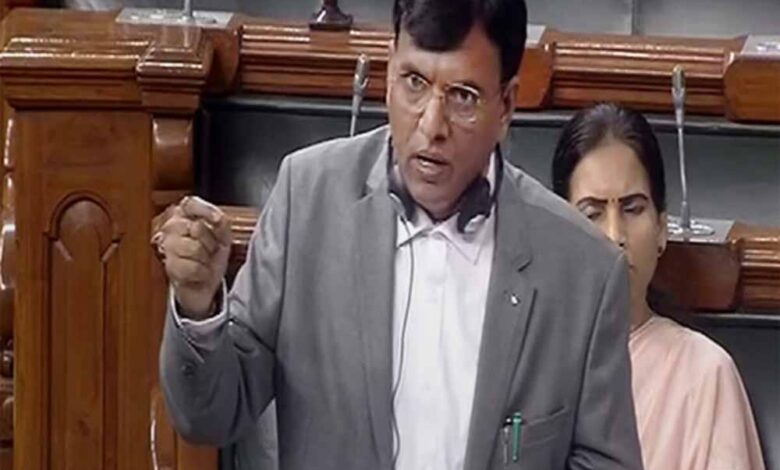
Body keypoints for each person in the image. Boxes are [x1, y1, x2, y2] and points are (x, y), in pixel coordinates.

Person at [155, 0, 644, 468]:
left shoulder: (582, 270)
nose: (432, 125)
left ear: (507, 105)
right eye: (414, 82)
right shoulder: (307, 200)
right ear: (388, 69)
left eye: (463, 96)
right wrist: (198, 307)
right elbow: (208, 414)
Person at [551, 103, 765, 470]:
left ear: (662, 229)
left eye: (633, 209)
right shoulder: (531, 360)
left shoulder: (705, 373)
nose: (615, 236)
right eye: (592, 214)